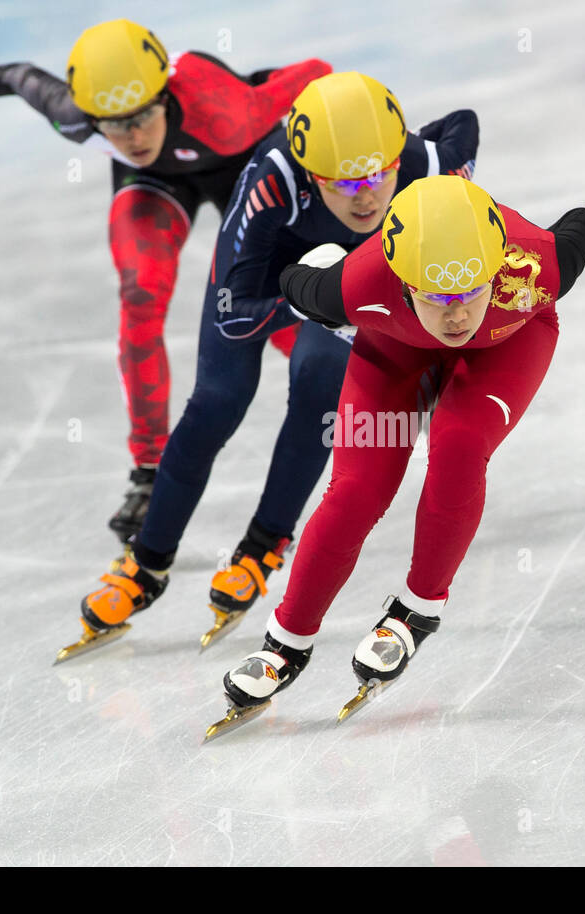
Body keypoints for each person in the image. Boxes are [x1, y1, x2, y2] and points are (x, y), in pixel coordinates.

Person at [74, 73, 480, 657]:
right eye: (344, 183)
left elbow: (463, 123)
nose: (366, 196)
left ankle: (263, 545)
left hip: (346, 274)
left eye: (376, 174)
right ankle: (146, 563)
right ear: (313, 174)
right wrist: (308, 300)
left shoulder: (431, 161)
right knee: (216, 403)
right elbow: (236, 313)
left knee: (320, 383)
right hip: (262, 282)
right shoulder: (273, 179)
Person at [0, 18, 329, 541]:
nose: (133, 136)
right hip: (152, 183)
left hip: (238, 158)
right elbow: (14, 76)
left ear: (164, 96)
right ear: (91, 116)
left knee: (267, 301)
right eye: (115, 124)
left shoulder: (228, 111)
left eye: (144, 116)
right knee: (139, 295)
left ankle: (368, 382)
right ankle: (148, 475)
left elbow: (317, 75)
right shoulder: (74, 115)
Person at [210, 175, 585, 731]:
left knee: (460, 445)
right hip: (394, 344)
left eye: (470, 292)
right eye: (438, 297)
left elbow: (581, 223)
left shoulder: (541, 264)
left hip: (509, 342)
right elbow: (297, 280)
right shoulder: (350, 287)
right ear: (401, 279)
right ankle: (286, 642)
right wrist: (317, 268)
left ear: (497, 267)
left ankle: (417, 612)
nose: (457, 316)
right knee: (356, 491)